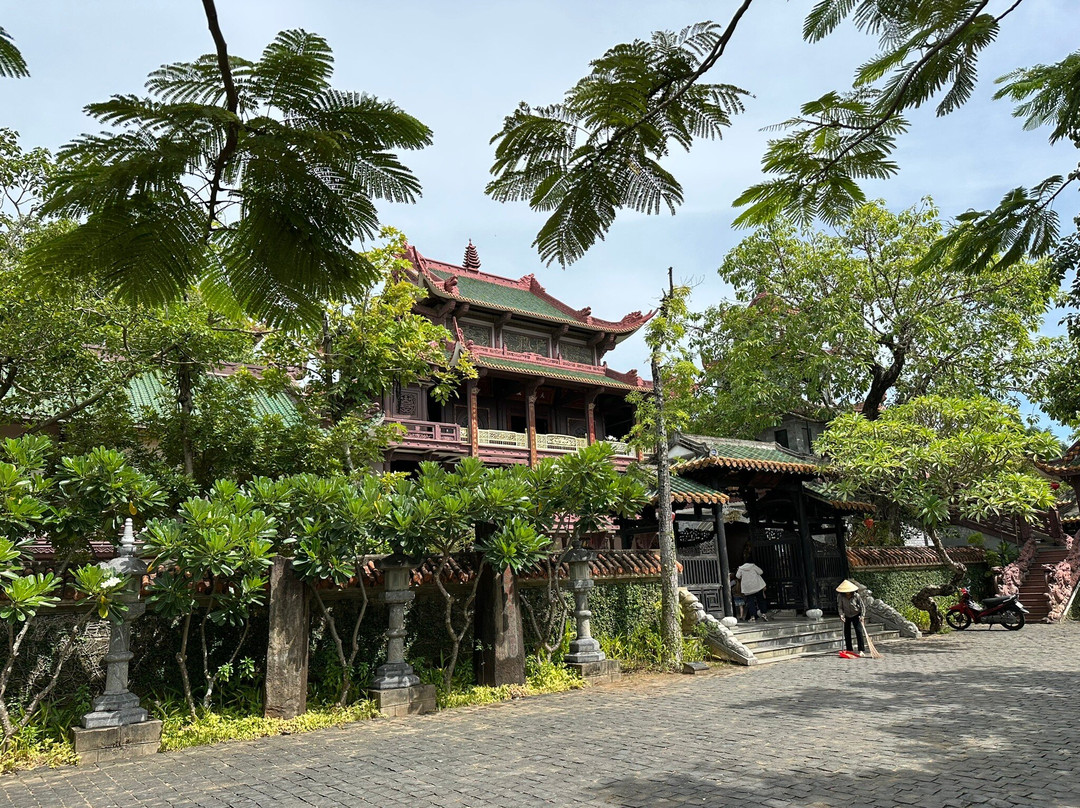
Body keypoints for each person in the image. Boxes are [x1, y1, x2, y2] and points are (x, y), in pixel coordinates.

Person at [836, 579, 868, 657]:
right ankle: (849, 649)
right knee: (847, 632)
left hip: (856, 614)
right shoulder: (840, 596)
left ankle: (861, 650)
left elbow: (862, 606)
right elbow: (840, 607)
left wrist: (862, 615)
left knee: (859, 631)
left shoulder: (856, 595)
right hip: (846, 615)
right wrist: (841, 615)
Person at [736, 553, 768, 622]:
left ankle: (752, 617)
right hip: (757, 586)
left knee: (750, 603)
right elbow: (761, 572)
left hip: (747, 588)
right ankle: (763, 614)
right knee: (761, 600)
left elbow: (737, 576)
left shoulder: (741, 568)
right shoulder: (753, 566)